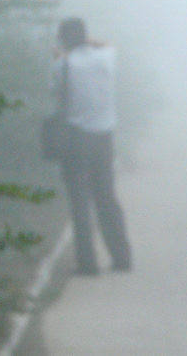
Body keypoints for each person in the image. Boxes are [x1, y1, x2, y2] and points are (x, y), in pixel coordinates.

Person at [51, 17, 132, 275]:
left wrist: (62, 55)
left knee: (79, 201)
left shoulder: (63, 65)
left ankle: (88, 263)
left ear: (64, 40)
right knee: (106, 197)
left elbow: (57, 94)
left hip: (76, 138)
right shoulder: (106, 57)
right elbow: (108, 44)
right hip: (105, 137)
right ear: (86, 37)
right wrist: (84, 42)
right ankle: (122, 257)